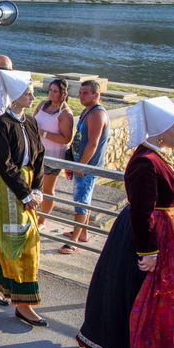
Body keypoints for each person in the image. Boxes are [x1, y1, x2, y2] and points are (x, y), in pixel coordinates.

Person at [76, 97, 174, 348]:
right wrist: (148, 252)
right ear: (160, 131)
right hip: (146, 238)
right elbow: (143, 213)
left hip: (157, 236)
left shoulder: (156, 155)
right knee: (144, 300)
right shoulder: (146, 162)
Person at [0, 70, 47, 326]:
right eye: (28, 93)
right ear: (15, 97)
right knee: (20, 240)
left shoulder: (30, 121)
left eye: (32, 92)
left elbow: (39, 156)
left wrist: (38, 189)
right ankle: (23, 302)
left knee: (2, 235)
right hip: (9, 188)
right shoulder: (1, 125)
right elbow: (5, 165)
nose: (32, 96)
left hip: (27, 185)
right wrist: (26, 194)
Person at [62, 80, 110, 253]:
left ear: (96, 95)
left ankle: (74, 241)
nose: (80, 96)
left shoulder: (97, 114)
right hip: (80, 164)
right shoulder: (86, 111)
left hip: (88, 167)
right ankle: (82, 233)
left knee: (81, 202)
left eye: (85, 93)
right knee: (83, 200)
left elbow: (93, 144)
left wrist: (81, 166)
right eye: (80, 92)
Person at [32, 78, 73, 229]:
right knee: (33, 185)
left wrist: (44, 134)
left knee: (48, 189)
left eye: (55, 91)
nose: (51, 93)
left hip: (53, 156)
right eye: (50, 90)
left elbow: (66, 138)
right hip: (36, 153)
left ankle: (42, 220)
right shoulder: (42, 105)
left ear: (63, 94)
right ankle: (33, 214)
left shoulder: (65, 114)